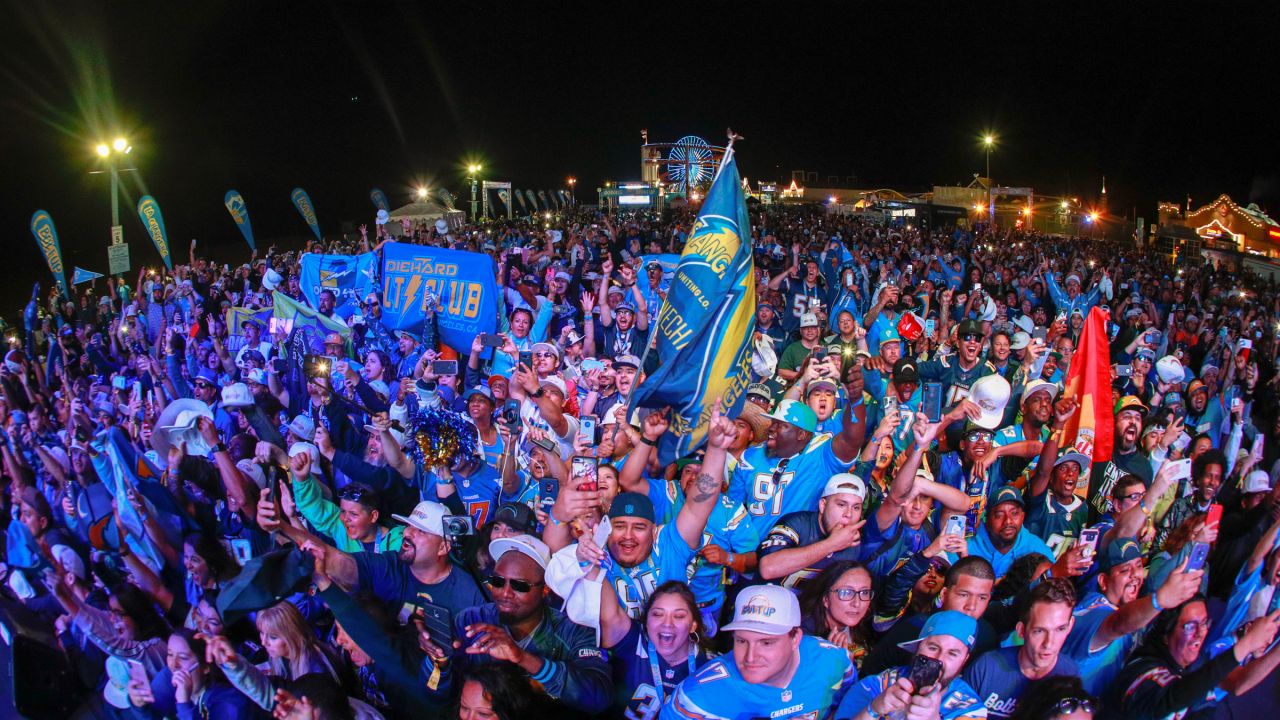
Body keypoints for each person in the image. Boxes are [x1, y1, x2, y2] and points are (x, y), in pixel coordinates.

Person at [430, 534, 612, 715]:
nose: (505, 593)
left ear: (545, 589)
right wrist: (438, 660)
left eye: (520, 585)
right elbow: (436, 693)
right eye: (498, 582)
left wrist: (523, 658)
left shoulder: (573, 630)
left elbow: (597, 697)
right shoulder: (472, 620)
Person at [661, 583, 856, 720]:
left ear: (795, 637)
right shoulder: (697, 698)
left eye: (766, 643)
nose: (750, 657)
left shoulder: (834, 662)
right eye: (742, 641)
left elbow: (846, 707)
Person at [1061, 538, 1203, 694]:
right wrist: (1160, 600)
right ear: (1103, 581)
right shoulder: (1095, 610)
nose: (1135, 574)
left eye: (1139, 566)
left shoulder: (1127, 607)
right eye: (1124, 570)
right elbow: (1118, 623)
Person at [1107, 598, 1280, 720]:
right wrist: (1247, 644)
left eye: (1204, 623)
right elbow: (1173, 698)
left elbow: (1202, 705)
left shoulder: (1186, 669)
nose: (1199, 633)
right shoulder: (1143, 666)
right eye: (1190, 626)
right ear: (1167, 634)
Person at [963, 578, 1081, 720]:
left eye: (1060, 629)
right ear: (1021, 630)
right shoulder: (985, 669)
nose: (1049, 643)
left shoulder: (1069, 676)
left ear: (1070, 626)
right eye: (1039, 631)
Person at [836, 610, 987, 720]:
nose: (939, 659)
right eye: (933, 648)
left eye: (952, 654)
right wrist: (873, 709)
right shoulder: (879, 684)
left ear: (965, 659)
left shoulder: (970, 709)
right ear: (917, 648)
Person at [596, 579, 713, 719]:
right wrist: (588, 563)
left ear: (693, 625)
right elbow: (609, 613)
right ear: (646, 621)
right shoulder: (633, 640)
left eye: (679, 616)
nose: (667, 624)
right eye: (658, 614)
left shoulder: (710, 666)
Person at [799, 561, 876, 671]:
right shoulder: (803, 638)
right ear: (826, 599)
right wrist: (836, 665)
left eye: (864, 592)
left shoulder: (866, 623)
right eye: (846, 592)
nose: (857, 603)